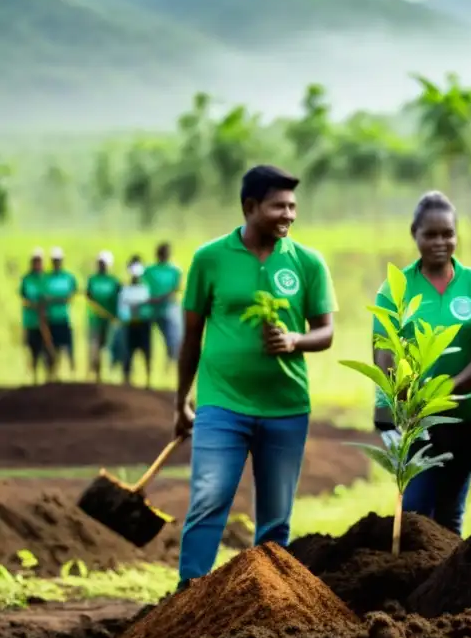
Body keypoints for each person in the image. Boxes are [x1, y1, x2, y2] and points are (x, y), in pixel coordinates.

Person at [173, 165, 337, 590]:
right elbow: (191, 336)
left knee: (276, 517)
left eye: (293, 206)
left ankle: (267, 599)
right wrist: (181, 401)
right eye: (278, 206)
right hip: (221, 403)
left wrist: (295, 340)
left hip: (286, 408)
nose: (289, 214)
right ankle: (190, 591)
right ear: (250, 207)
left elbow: (326, 332)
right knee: (209, 498)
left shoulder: (307, 262)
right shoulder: (209, 259)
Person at [372, 191, 471, 535]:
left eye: (448, 234)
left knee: (451, 509)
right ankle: (415, 581)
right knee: (416, 511)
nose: (440, 242)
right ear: (414, 233)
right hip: (415, 417)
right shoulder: (396, 288)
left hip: (468, 416)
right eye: (431, 234)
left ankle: (447, 586)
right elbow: (384, 355)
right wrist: (408, 400)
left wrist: (452, 387)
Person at [42, 246, 78, 378]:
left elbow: (70, 296)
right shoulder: (46, 278)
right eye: (54, 260)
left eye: (58, 260)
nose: (56, 262)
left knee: (68, 348)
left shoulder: (68, 277)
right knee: (51, 349)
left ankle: (72, 375)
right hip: (51, 319)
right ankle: (52, 375)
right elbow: (44, 298)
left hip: (64, 318)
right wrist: (59, 299)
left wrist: (54, 299)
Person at [117, 256, 154, 388]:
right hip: (130, 324)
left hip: (143, 323)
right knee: (128, 351)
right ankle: (126, 379)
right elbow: (122, 309)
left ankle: (148, 379)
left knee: (147, 351)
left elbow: (149, 306)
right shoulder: (125, 290)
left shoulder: (146, 288)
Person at [145, 242, 183, 365]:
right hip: (150, 309)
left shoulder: (174, 270)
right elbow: (143, 287)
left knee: (172, 339)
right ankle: (150, 365)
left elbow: (176, 288)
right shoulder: (149, 270)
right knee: (147, 341)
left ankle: (171, 364)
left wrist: (160, 298)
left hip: (168, 309)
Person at [86, 251, 121, 383]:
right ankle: (96, 375)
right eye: (100, 263)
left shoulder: (114, 282)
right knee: (95, 347)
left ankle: (108, 374)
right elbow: (89, 296)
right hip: (95, 320)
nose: (101, 266)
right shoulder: (92, 280)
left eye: (104, 263)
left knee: (108, 347)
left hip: (110, 320)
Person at [20, 248, 49, 384]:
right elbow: (24, 299)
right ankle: (35, 377)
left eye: (39, 261)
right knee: (33, 349)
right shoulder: (26, 280)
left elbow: (47, 298)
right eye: (35, 261)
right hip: (31, 321)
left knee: (45, 349)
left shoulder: (45, 279)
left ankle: (47, 377)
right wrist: (35, 305)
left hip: (45, 321)